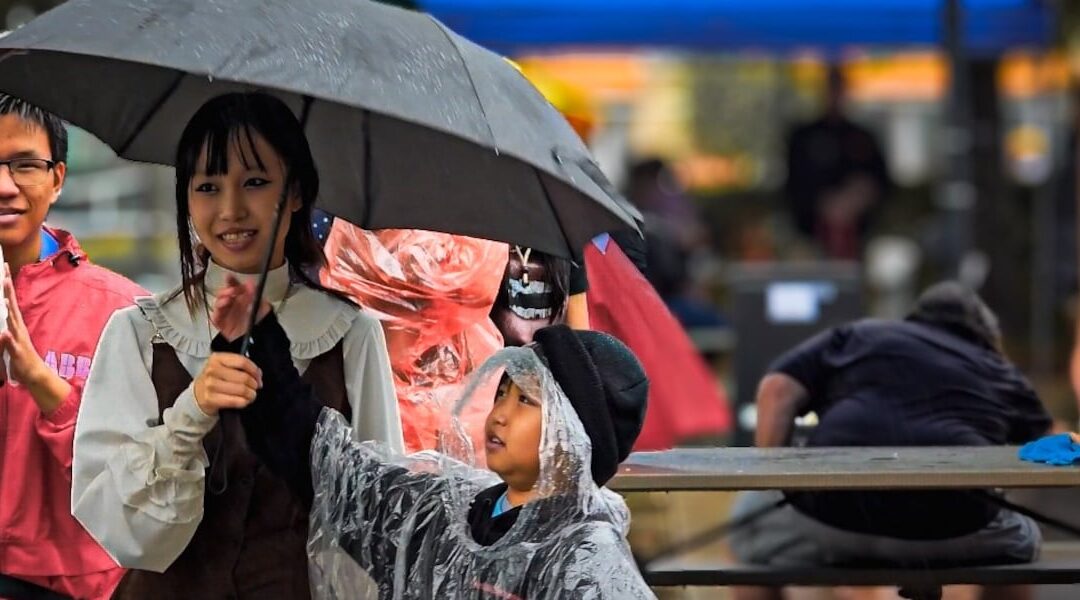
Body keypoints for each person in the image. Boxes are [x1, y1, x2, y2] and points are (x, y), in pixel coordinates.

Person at [71, 93, 403, 598]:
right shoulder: (140, 332)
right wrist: (191, 413)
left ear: (294, 191)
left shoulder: (349, 334)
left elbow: (379, 518)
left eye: (254, 182)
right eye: (208, 186)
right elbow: (120, 527)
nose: (230, 210)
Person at [206, 271, 654, 598]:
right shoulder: (443, 514)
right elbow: (323, 464)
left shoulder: (586, 559)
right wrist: (256, 339)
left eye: (526, 402)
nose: (499, 415)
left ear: (571, 439)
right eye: (502, 393)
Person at [730, 282, 1052, 600]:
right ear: (987, 337)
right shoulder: (998, 368)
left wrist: (775, 483)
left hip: (832, 518)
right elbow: (1050, 448)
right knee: (1024, 543)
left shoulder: (862, 334)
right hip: (954, 530)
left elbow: (776, 390)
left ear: (916, 318)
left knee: (748, 528)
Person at [0, 95, 145, 600]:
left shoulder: (123, 311)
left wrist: (41, 380)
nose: (4, 186)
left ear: (58, 178)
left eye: (24, 165)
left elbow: (140, 476)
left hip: (76, 586)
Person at [785, 65, 890, 260]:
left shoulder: (863, 137)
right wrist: (825, 204)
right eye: (830, 88)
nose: (835, 95)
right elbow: (793, 185)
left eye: (839, 88)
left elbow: (882, 183)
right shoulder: (803, 137)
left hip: (861, 238)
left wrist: (858, 197)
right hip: (811, 237)